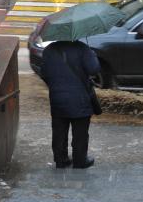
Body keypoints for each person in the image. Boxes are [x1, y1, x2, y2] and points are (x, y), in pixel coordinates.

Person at [41, 41, 101, 169]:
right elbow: (94, 69)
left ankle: (61, 160)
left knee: (59, 132)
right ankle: (80, 161)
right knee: (80, 133)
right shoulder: (83, 48)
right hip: (80, 98)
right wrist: (93, 55)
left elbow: (44, 73)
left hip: (57, 98)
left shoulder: (49, 50)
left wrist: (56, 86)